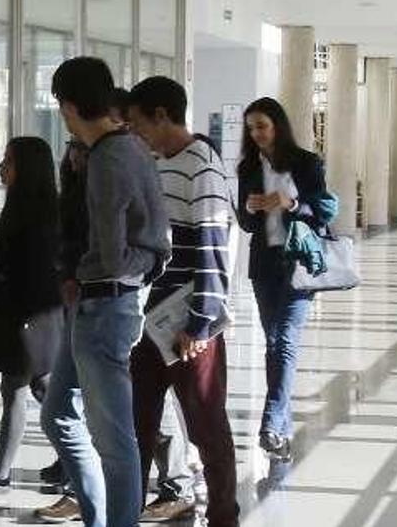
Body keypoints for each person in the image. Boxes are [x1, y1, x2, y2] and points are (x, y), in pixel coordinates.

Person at [37, 57, 171, 527]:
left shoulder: (109, 160)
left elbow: (114, 255)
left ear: (69, 106)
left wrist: (100, 270)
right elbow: (151, 242)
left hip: (105, 306)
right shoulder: (128, 148)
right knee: (58, 415)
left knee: (115, 443)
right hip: (101, 302)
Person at [127, 76, 240, 527]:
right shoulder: (159, 162)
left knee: (206, 424)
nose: (137, 134)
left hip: (189, 323)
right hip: (152, 318)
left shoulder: (202, 166)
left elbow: (215, 247)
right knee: (137, 420)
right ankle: (124, 510)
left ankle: (223, 516)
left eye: (140, 124)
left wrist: (201, 322)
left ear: (161, 116)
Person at [0, 137, 64, 496]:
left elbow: (39, 276)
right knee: (28, 388)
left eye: (8, 161)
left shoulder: (40, 216)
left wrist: (23, 322)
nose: (1, 167)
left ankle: (7, 472)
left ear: (28, 169)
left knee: (28, 388)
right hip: (24, 317)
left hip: (31, 318)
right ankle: (66, 460)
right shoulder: (23, 207)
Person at [234, 97, 332, 462]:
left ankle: (271, 426)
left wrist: (289, 203)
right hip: (264, 264)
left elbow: (322, 212)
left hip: (298, 263)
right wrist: (249, 208)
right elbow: (245, 224)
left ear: (277, 125)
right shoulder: (248, 167)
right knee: (274, 342)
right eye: (251, 128)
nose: (256, 133)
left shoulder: (306, 163)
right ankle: (282, 432)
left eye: (261, 125)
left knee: (284, 342)